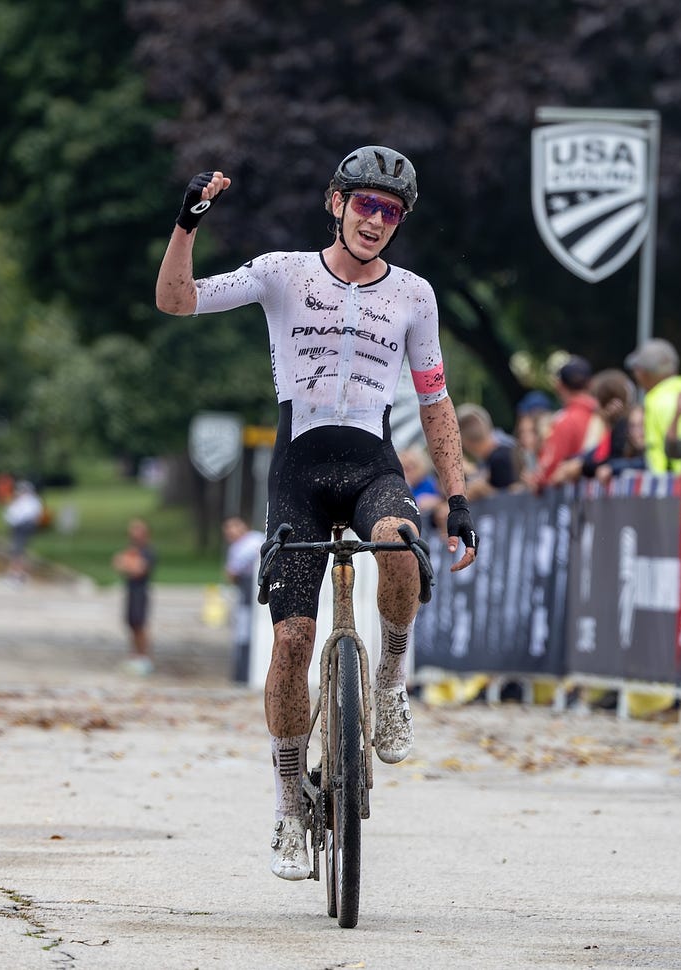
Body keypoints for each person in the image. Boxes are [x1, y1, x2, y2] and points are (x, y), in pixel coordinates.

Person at [154, 146, 478, 881]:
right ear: (336, 203)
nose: (377, 221)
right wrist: (188, 223)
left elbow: (435, 401)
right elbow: (176, 300)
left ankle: (391, 684)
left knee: (400, 542)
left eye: (391, 212)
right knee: (293, 644)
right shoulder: (282, 273)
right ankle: (287, 804)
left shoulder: (415, 297)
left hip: (371, 466)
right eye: (365, 204)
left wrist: (456, 498)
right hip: (298, 471)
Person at [628, 338, 681, 473]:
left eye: (636, 370)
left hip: (677, 488)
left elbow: (668, 454)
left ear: (643, 373)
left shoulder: (659, 402)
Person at [534, 355, 603, 489]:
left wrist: (537, 481)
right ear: (590, 383)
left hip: (573, 503)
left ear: (559, 386)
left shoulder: (563, 421)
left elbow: (549, 468)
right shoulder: (603, 416)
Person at [223, 516, 266, 684]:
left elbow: (233, 571)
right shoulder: (235, 548)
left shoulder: (254, 540)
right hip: (246, 591)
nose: (231, 532)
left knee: (247, 630)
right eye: (228, 529)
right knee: (243, 631)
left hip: (253, 588)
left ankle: (244, 672)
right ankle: (241, 672)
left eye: (234, 527)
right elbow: (231, 574)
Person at [114, 519, 156, 676]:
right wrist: (128, 564)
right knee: (131, 623)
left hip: (141, 591)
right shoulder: (132, 550)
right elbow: (118, 563)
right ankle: (134, 655)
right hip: (131, 590)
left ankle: (144, 657)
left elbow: (139, 569)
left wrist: (127, 564)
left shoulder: (148, 551)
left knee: (140, 624)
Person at [457, 404, 521, 500]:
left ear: (465, 442)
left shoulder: (499, 459)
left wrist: (483, 490)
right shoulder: (496, 455)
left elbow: (512, 497)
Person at [2, 480, 43, 584]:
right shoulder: (20, 501)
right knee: (16, 551)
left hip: (23, 527)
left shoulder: (31, 501)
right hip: (18, 527)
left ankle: (18, 574)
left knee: (18, 551)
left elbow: (27, 515)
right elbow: (10, 514)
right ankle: (15, 573)